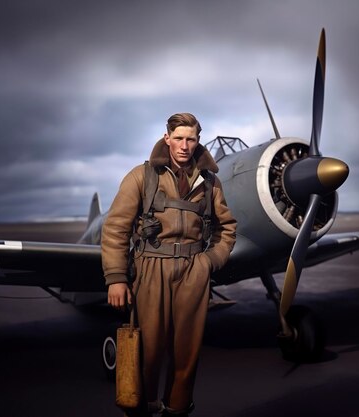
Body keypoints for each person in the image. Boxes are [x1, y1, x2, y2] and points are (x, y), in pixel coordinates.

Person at [102, 113, 237, 417]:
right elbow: (116, 228)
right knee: (148, 351)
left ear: (197, 141)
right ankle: (143, 407)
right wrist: (116, 278)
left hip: (193, 270)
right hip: (151, 266)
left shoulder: (210, 182)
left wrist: (209, 262)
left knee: (187, 354)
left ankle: (177, 410)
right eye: (178, 138)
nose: (184, 146)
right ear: (167, 139)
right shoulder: (142, 175)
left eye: (190, 139)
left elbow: (227, 228)